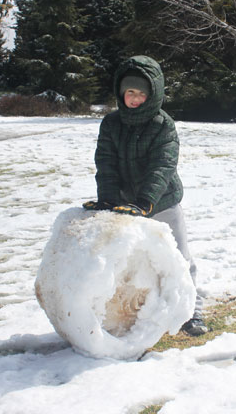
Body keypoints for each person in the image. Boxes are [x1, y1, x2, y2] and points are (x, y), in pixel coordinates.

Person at [83, 55, 208, 337]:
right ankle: (134, 313)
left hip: (162, 201)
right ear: (121, 93)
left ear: (152, 94)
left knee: (180, 257)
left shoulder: (163, 125)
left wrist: (145, 201)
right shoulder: (112, 123)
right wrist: (107, 199)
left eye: (141, 93)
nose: (135, 98)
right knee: (131, 261)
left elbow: (162, 166)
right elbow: (106, 163)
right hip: (126, 205)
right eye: (130, 92)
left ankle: (192, 313)